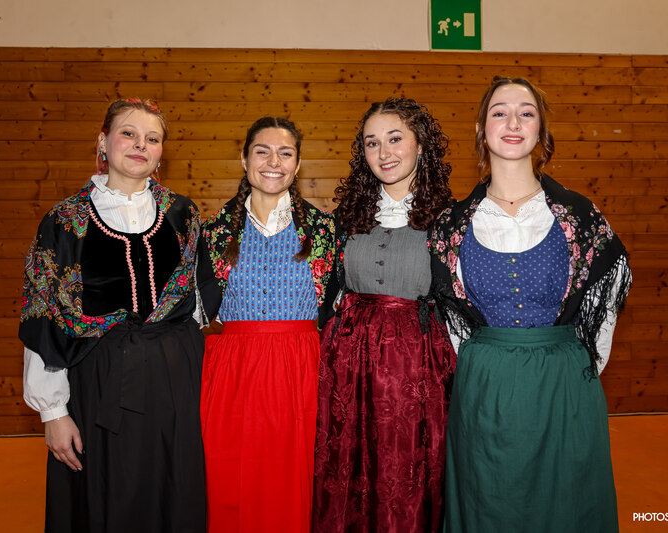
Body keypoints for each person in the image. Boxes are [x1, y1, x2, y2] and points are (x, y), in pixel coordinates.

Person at [429, 77, 632, 532]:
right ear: (482, 130)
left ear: (540, 129)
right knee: (488, 500)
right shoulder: (452, 224)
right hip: (485, 384)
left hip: (564, 381)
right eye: (500, 112)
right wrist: (485, 359)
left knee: (566, 502)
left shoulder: (578, 214)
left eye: (526, 113)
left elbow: (609, 286)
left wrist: (579, 363)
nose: (513, 123)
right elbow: (450, 314)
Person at [20, 98, 217, 533]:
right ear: (103, 142)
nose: (140, 145)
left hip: (175, 381)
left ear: (161, 152)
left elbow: (198, 303)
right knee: (107, 495)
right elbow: (44, 318)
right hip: (97, 379)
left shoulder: (183, 214)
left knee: (173, 492)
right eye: (129, 133)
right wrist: (53, 412)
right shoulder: (64, 221)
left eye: (153, 138)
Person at [312, 98, 456, 533]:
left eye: (395, 139)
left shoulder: (450, 218)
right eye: (372, 143)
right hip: (348, 363)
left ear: (420, 145)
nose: (384, 152)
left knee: (404, 471)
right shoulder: (346, 217)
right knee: (347, 468)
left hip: (415, 365)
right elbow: (326, 290)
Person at [198, 117, 335, 532]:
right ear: (244, 160)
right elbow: (194, 310)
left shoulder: (325, 230)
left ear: (298, 164)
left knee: (294, 484)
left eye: (285, 153)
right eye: (262, 151)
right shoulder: (213, 232)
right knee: (230, 483)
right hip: (234, 374)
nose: (274, 162)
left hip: (301, 372)